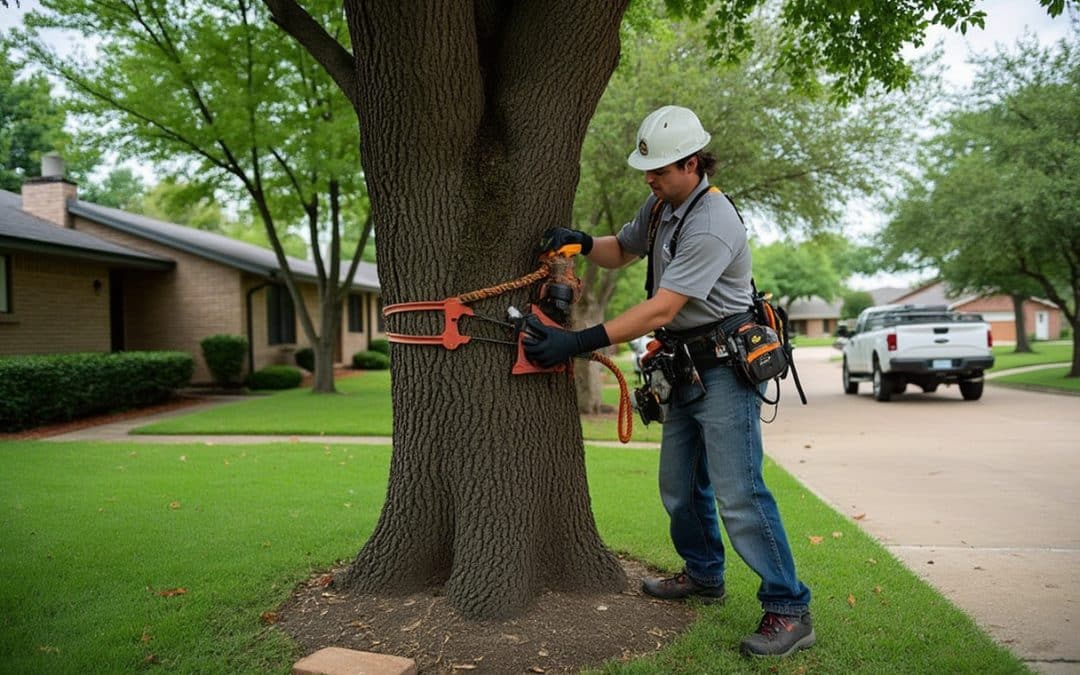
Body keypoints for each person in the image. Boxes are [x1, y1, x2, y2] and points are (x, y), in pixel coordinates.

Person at [524, 105, 815, 658]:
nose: (648, 178)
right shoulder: (662, 206)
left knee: (740, 495)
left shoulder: (712, 219)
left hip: (726, 370)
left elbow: (662, 308)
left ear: (691, 162)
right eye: (647, 170)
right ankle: (704, 576)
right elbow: (622, 251)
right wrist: (584, 241)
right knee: (680, 489)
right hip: (682, 368)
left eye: (658, 170)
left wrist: (580, 342)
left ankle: (790, 608)